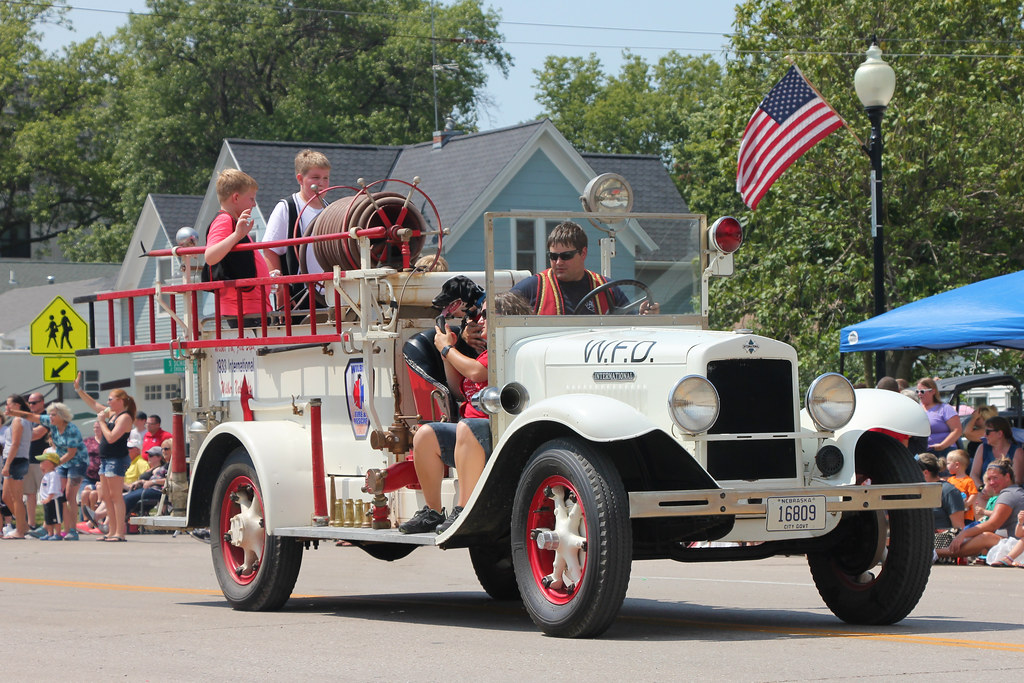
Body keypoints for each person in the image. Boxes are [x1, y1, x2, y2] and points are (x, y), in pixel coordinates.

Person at [400, 291, 532, 534]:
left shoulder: (506, 350)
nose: (479, 321)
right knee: (424, 435)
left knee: (465, 427)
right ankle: (433, 511)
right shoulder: (484, 353)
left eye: (485, 315)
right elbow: (458, 389)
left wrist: (448, 350)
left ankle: (463, 509)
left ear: (504, 319)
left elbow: (475, 373)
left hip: (496, 434)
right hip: (470, 434)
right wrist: (446, 352)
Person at [509, 220, 657, 315]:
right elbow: (495, 311)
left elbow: (630, 327)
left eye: (566, 256)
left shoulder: (608, 289)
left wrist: (644, 317)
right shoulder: (533, 287)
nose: (559, 262)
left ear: (583, 253)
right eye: (553, 256)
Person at [6, 401, 85, 540]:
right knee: (57, 496)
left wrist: (54, 464)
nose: (50, 417)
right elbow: (31, 416)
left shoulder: (71, 429)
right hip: (61, 462)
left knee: (70, 495)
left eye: (53, 415)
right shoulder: (51, 423)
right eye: (49, 415)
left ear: (62, 416)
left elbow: (71, 453)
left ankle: (72, 530)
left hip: (77, 463)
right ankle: (48, 527)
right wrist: (13, 413)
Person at [261, 149, 332, 304]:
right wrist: (281, 292)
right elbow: (270, 250)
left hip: (330, 293)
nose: (321, 183)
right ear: (300, 179)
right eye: (315, 177)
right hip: (298, 295)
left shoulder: (331, 210)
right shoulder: (287, 207)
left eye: (325, 178)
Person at [73, 372, 135, 542]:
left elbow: (111, 437)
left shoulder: (125, 417)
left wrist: (101, 422)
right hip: (106, 459)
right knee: (106, 497)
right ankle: (111, 531)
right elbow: (94, 405)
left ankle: (119, 533)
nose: (107, 403)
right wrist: (79, 390)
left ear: (120, 400)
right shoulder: (112, 414)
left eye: (110, 399)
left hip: (116, 459)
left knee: (115, 496)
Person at [204, 168, 270, 324]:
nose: (254, 204)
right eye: (251, 199)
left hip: (250, 307)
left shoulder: (234, 223)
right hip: (243, 310)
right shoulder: (224, 221)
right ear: (236, 197)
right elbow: (210, 256)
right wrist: (236, 235)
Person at [937, 459, 1024, 561]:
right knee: (980, 533)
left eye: (995, 478)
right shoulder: (1015, 491)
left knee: (985, 536)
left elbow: (992, 525)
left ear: (1007, 477)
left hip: (1018, 549)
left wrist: (964, 534)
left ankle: (936, 553)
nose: (991, 483)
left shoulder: (1008, 495)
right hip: (1016, 545)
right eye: (989, 479)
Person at [1, 394, 33, 539]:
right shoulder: (21, 420)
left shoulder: (19, 420)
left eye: (9, 404)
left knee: (16, 498)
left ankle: (20, 530)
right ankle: (23, 524)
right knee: (6, 496)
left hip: (16, 460)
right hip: (15, 459)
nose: (6, 407)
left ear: (17, 405)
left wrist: (7, 465)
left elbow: (15, 444)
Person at [969, 416, 1024, 489]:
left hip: (1007, 493)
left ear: (1000, 434)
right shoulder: (982, 448)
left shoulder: (1017, 452)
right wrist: (982, 488)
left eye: (988, 432)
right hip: (985, 491)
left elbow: (1017, 481)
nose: (984, 435)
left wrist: (997, 492)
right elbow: (974, 474)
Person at [23, 391, 50, 534]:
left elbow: (37, 434)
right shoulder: (30, 418)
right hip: (29, 459)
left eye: (34, 402)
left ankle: (48, 525)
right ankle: (31, 525)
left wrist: (18, 435)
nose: (31, 405)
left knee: (45, 493)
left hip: (44, 461)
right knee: (29, 493)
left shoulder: (46, 417)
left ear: (42, 403)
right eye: (29, 403)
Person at [916, 377, 961, 457]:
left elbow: (957, 430)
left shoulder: (945, 408)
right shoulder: (917, 409)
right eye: (917, 391)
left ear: (933, 391)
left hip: (944, 451)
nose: (919, 394)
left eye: (922, 391)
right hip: (923, 452)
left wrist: (942, 445)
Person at [917, 453, 964, 530]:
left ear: (925, 473)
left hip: (941, 540)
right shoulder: (913, 491)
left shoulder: (949, 491)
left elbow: (958, 528)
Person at [35, 450, 65, 541]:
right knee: (48, 519)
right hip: (46, 500)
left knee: (56, 518)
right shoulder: (46, 475)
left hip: (53, 500)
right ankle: (50, 533)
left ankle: (58, 534)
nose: (40, 464)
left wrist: (49, 497)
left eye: (43, 462)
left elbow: (53, 487)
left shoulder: (53, 475)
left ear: (51, 464)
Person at [945, 449, 979, 523]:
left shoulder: (968, 480)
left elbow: (974, 494)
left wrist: (966, 504)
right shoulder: (950, 480)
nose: (946, 466)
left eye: (948, 463)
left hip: (966, 516)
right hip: (953, 513)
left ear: (957, 465)